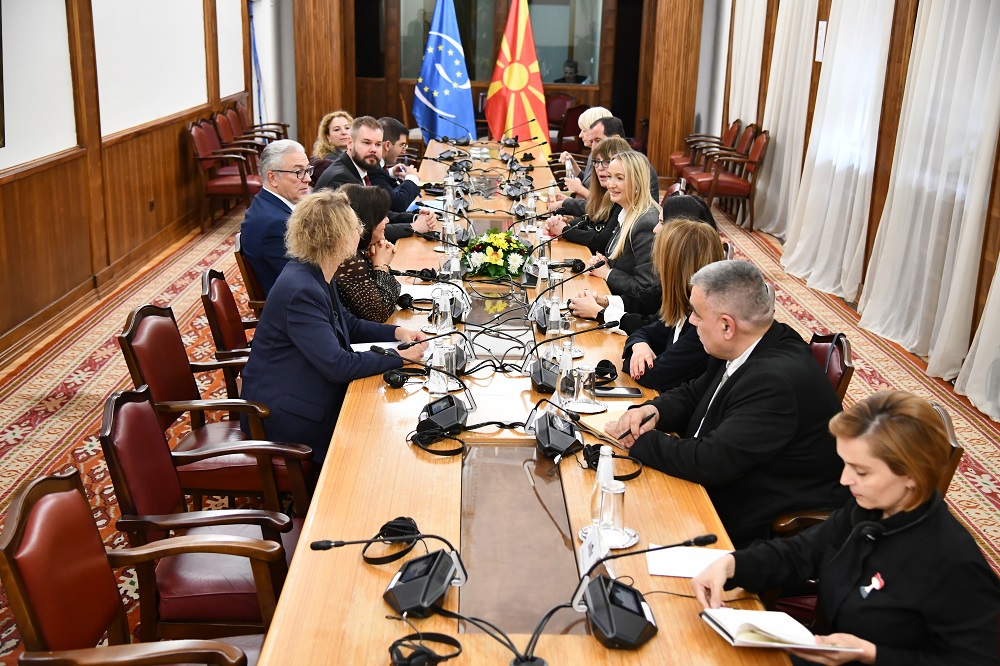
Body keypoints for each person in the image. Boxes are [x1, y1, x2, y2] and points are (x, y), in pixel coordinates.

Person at [692, 391, 1000, 665]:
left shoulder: (954, 562)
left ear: (912, 475)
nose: (844, 480)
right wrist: (732, 565)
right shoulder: (870, 509)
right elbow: (802, 551)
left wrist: (872, 654)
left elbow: (976, 659)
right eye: (845, 464)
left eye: (861, 472)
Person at [607, 260, 847, 547]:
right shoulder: (751, 342)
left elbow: (710, 462)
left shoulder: (774, 382)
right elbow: (694, 394)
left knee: (621, 517)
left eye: (697, 314)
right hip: (717, 481)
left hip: (753, 527)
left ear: (726, 325)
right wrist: (653, 411)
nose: (691, 321)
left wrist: (638, 440)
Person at [239, 190, 427, 463]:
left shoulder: (316, 270)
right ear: (336, 237)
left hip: (305, 391)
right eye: (354, 226)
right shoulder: (302, 289)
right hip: (286, 415)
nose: (360, 231)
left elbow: (346, 323)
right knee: (378, 440)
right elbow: (338, 365)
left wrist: (397, 332)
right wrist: (399, 356)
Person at [567, 194, 718, 330]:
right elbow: (649, 300)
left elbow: (654, 326)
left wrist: (600, 313)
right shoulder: (683, 274)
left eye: (662, 222)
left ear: (682, 233)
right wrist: (604, 301)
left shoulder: (699, 297)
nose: (655, 229)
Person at [620, 219, 723, 391]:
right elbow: (643, 332)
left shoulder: (700, 325)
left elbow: (653, 376)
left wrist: (632, 360)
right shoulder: (683, 308)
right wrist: (639, 346)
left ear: (673, 270)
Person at [314, 116, 436, 243]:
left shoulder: (357, 169)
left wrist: (414, 217)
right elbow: (365, 231)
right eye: (366, 143)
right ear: (350, 143)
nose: (373, 149)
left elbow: (376, 214)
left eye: (378, 144)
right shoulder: (341, 178)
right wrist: (414, 227)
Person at [583, 151, 660, 305]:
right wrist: (604, 263)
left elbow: (646, 288)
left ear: (637, 182)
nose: (611, 184)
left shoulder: (646, 223)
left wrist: (607, 273)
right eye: (610, 176)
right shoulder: (626, 211)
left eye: (620, 178)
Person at [239, 139, 312, 296]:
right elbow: (302, 281)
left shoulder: (268, 205)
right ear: (272, 177)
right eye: (298, 172)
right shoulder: (275, 223)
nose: (307, 179)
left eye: (307, 170)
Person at [546, 137, 631, 254]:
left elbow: (602, 241)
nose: (600, 168)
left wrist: (565, 230)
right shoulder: (603, 193)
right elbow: (589, 220)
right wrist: (565, 225)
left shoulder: (621, 198)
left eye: (606, 161)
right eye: (596, 162)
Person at [335, 184, 401, 323]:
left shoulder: (360, 252)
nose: (387, 220)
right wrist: (381, 266)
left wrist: (378, 264)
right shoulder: (347, 260)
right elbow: (378, 314)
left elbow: (395, 289)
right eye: (382, 217)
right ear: (367, 221)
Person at [368, 116, 423, 214]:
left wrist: (390, 173)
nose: (403, 151)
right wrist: (412, 178)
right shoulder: (373, 168)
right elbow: (397, 204)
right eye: (402, 145)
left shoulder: (377, 167)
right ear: (387, 145)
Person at [556, 105, 611, 198]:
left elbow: (602, 203)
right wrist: (572, 163)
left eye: (584, 130)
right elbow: (586, 181)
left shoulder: (609, 159)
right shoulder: (593, 152)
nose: (580, 135)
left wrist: (579, 189)